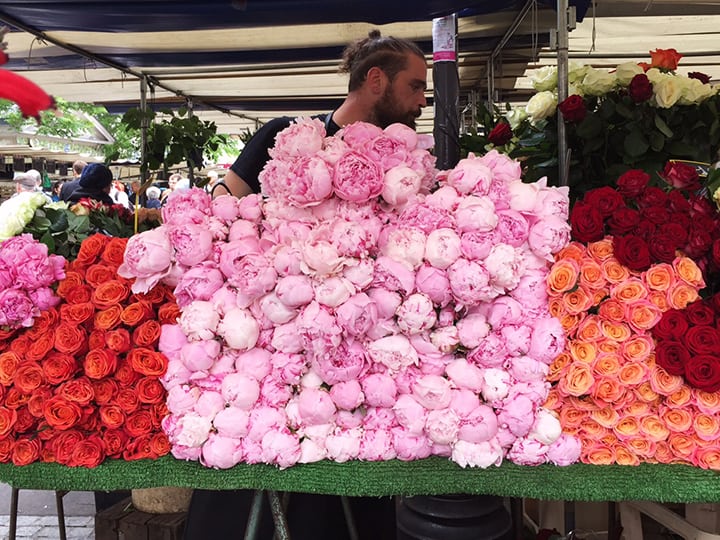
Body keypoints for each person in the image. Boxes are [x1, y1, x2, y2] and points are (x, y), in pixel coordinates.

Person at [184, 29, 427, 540]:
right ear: (375, 80)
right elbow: (223, 209)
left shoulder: (408, 159)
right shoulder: (282, 135)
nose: (422, 102)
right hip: (272, 346)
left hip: (367, 355)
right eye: (415, 87)